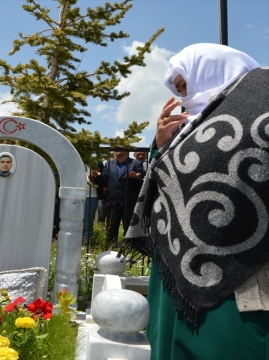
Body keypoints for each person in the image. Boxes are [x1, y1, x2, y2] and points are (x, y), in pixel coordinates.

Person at [122, 44, 268, 359]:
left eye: (187, 85)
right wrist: (161, 146)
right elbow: (161, 185)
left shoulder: (263, 102)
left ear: (213, 70)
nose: (185, 96)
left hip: (242, 276)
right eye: (178, 89)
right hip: (175, 269)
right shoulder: (190, 125)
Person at [89, 148, 143, 245]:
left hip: (129, 201)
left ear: (126, 151)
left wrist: (135, 178)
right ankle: (111, 248)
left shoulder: (136, 164)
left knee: (129, 227)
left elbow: (141, 184)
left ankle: (129, 248)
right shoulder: (108, 164)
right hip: (112, 201)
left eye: (119, 148)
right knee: (111, 228)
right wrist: (98, 176)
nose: (115, 150)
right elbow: (105, 182)